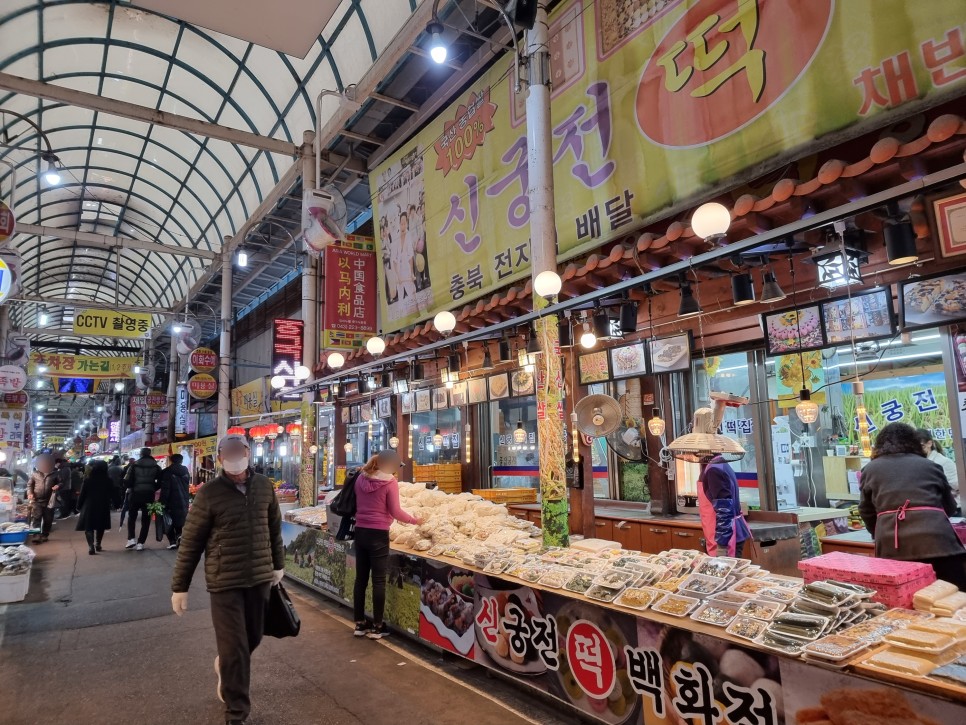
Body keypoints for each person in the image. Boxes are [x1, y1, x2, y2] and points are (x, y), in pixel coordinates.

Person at [171, 434, 284, 725]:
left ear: (249, 452)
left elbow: (274, 529)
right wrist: (180, 586)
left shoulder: (264, 487)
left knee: (253, 637)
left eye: (240, 449)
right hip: (224, 581)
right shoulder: (209, 493)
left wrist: (278, 565)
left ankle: (225, 664)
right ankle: (237, 712)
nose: (234, 455)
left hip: (260, 576)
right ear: (220, 457)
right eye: (228, 451)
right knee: (235, 646)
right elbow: (191, 541)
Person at [859, 423, 966, 590]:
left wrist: (880, 531)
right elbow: (950, 507)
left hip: (894, 548)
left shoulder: (870, 469)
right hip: (940, 544)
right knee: (954, 599)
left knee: (905, 602)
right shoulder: (931, 466)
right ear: (915, 442)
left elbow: (866, 511)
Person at [352, 449, 422, 639]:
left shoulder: (360, 479)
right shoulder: (389, 482)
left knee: (360, 579)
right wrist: (415, 521)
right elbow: (396, 511)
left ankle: (359, 623)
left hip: (360, 531)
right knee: (379, 581)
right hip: (378, 534)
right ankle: (377, 626)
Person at [697, 454, 751, 558]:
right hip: (721, 533)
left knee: (729, 572)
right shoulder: (718, 464)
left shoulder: (714, 470)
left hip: (726, 537)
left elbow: (724, 508)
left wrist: (722, 545)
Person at [124, 447, 161, 551]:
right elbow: (161, 480)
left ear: (140, 454)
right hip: (149, 494)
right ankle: (141, 543)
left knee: (132, 517)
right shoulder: (156, 466)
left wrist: (132, 486)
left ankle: (131, 539)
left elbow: (127, 481)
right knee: (146, 519)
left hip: (135, 494)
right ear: (149, 454)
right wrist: (153, 487)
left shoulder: (134, 465)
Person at [916, 429, 960, 507]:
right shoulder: (918, 462)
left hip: (952, 508)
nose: (917, 449)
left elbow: (957, 485)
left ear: (929, 443)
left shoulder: (944, 462)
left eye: (921, 446)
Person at [76, 460, 112, 555]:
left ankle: (91, 546)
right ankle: (98, 544)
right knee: (101, 525)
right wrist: (117, 504)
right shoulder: (108, 480)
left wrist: (78, 506)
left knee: (89, 526)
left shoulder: (88, 480)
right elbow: (114, 493)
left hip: (89, 505)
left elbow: (82, 495)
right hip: (103, 505)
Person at [160, 453, 191, 550]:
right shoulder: (185, 471)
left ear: (171, 460)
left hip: (171, 500)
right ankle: (179, 536)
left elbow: (165, 489)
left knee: (168, 520)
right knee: (180, 519)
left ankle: (172, 541)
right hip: (183, 499)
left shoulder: (167, 472)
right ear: (181, 461)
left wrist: (162, 502)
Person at [27, 454, 59, 543]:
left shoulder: (55, 474)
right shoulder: (34, 474)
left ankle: (45, 535)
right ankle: (36, 536)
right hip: (36, 500)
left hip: (49, 501)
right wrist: (30, 493)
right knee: (37, 518)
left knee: (48, 519)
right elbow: (29, 485)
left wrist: (58, 486)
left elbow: (61, 483)